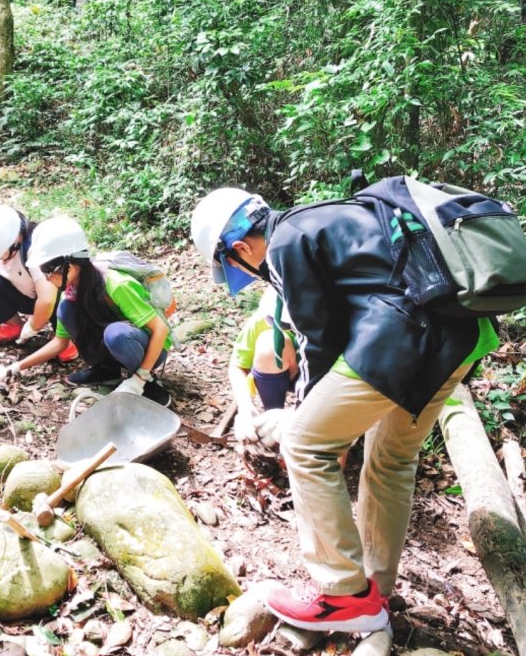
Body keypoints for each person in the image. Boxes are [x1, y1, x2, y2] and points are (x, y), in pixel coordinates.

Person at [191, 186, 498, 633]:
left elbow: (319, 342)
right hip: (461, 336)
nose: (244, 273)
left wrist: (302, 415)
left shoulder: (285, 245)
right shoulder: (322, 219)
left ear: (239, 248)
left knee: (304, 445)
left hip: (403, 341)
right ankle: (375, 592)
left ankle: (343, 595)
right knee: (393, 459)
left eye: (234, 265)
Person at [0, 216, 173, 406]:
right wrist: (14, 368)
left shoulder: (116, 284)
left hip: (151, 347)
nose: (47, 278)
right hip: (121, 341)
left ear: (69, 266)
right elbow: (59, 342)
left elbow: (161, 330)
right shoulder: (72, 293)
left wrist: (139, 379)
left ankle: (147, 382)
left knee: (116, 334)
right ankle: (107, 369)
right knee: (66, 310)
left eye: (49, 271)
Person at [0, 203, 78, 362]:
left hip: (54, 297)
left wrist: (34, 326)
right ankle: (15, 326)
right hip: (24, 294)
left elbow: (47, 299)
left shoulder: (35, 248)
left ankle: (64, 338)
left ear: (15, 240)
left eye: (0, 254)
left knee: (58, 297)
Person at [228, 287, 297, 453]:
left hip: (327, 381)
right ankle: (270, 420)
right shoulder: (265, 317)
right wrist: (245, 407)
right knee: (269, 345)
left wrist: (298, 416)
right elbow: (238, 365)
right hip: (292, 373)